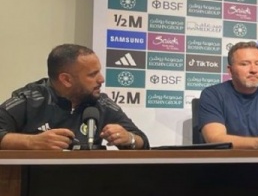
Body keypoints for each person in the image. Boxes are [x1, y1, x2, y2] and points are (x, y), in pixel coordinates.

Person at [0, 44, 149, 150]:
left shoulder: (102, 103)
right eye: (92, 74)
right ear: (66, 80)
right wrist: (31, 142)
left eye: (99, 72)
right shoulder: (30, 99)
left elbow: (142, 141)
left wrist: (129, 138)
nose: (101, 79)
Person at [198, 41, 258, 149]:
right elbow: (215, 139)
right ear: (230, 70)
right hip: (226, 159)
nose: (253, 70)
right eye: (245, 64)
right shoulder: (212, 95)